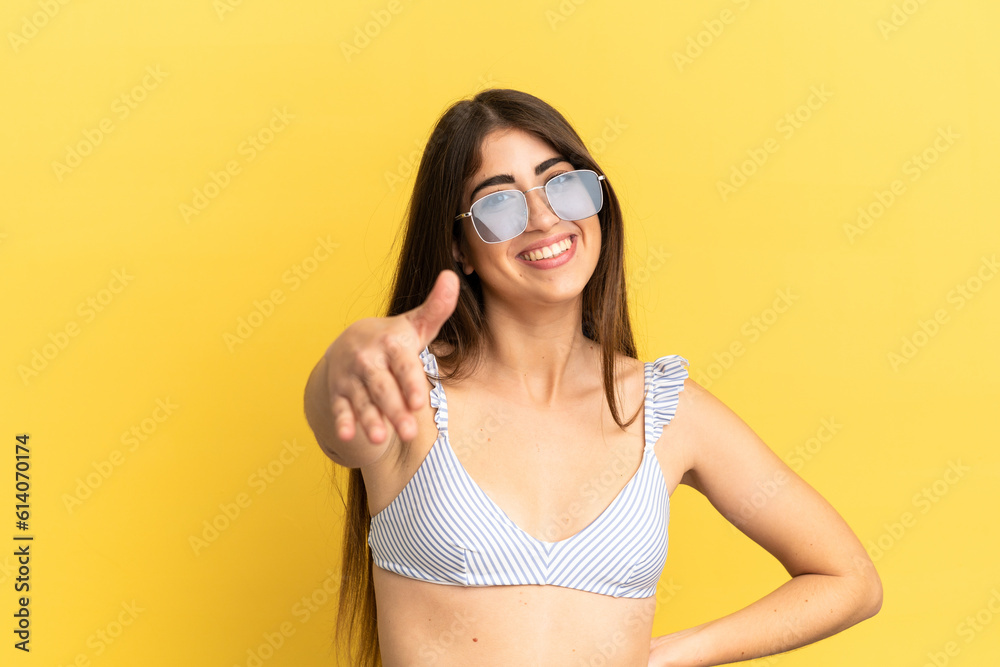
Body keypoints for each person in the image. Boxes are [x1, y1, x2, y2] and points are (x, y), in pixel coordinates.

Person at [303, 88, 882, 667]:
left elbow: (849, 580)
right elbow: (338, 426)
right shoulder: (407, 392)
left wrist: (666, 655)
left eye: (563, 183)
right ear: (459, 245)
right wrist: (348, 354)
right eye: (499, 202)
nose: (543, 216)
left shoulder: (665, 409)